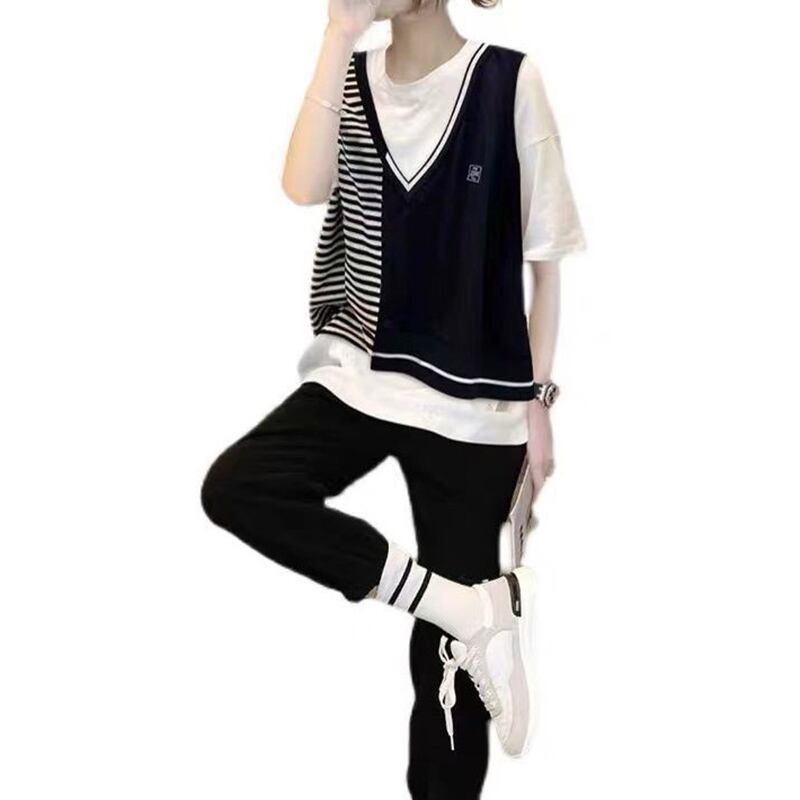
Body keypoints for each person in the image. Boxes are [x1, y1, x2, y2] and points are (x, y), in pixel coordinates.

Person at [201, 0, 586, 796]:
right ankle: (464, 606)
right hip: (362, 372)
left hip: (477, 404)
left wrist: (539, 408)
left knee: (442, 668)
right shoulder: (349, 76)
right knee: (241, 487)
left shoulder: (508, 80)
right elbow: (302, 186)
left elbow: (545, 263)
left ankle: (463, 626)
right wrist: (338, 33)